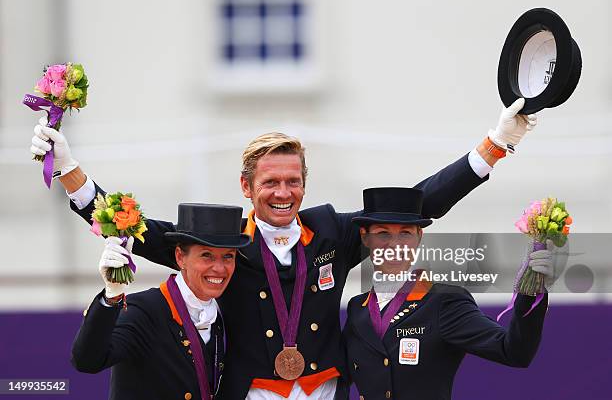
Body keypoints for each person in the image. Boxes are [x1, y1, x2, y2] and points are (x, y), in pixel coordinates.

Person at [32, 98, 537, 399]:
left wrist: (494, 144)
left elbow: (417, 202)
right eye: (271, 181)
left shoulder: (333, 233)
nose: (283, 192)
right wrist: (71, 173)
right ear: (247, 187)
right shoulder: (220, 245)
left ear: (305, 184)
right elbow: (133, 226)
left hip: (326, 391)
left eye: (293, 181)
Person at [343, 187, 554, 399]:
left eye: (405, 233)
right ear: (365, 237)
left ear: (419, 237)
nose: (395, 245)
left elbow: (514, 351)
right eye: (382, 233)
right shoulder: (356, 309)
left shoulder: (444, 301)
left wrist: (529, 291)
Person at [71, 203, 251, 400]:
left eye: (228, 257)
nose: (219, 268)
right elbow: (87, 361)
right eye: (206, 256)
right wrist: (112, 296)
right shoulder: (144, 310)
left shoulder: (220, 318)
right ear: (180, 257)